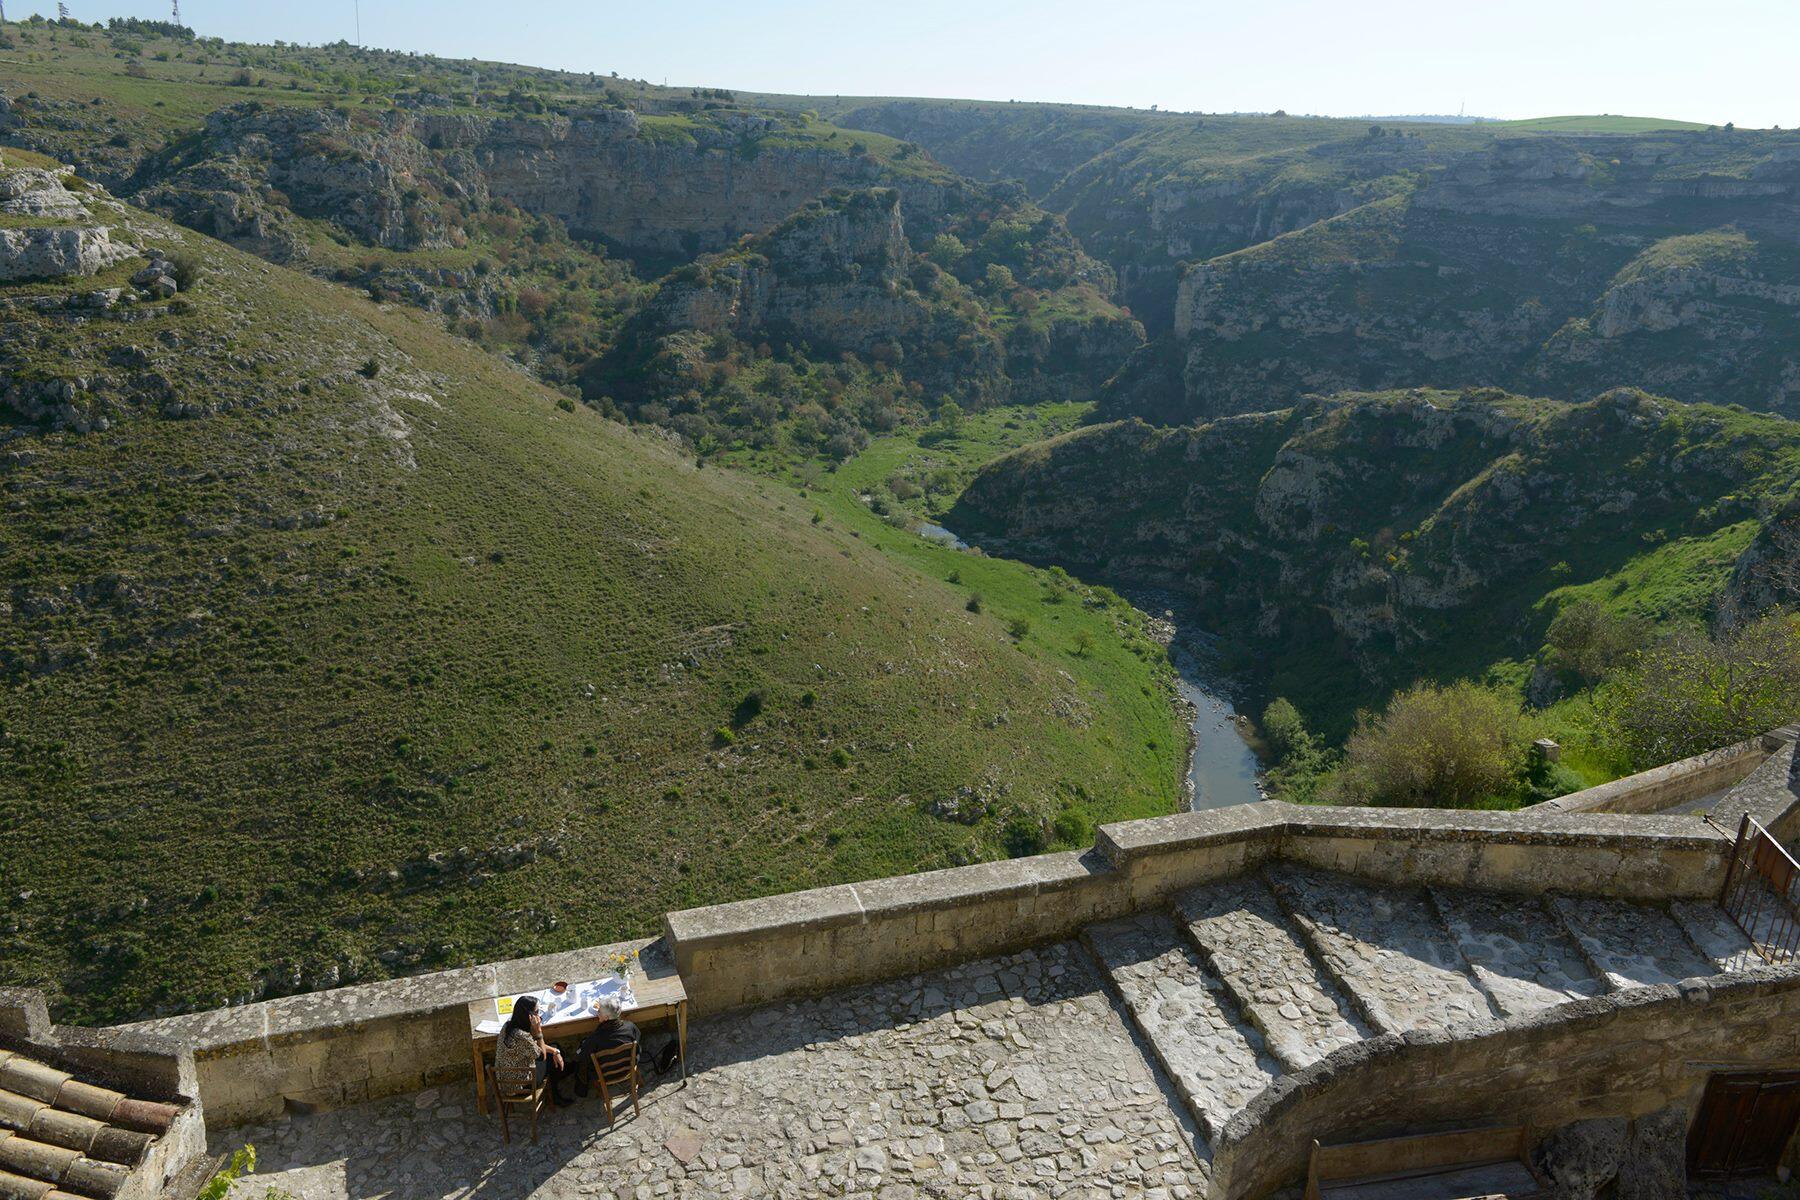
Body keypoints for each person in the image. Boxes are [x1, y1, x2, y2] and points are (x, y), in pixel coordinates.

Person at [494, 995, 574, 1107]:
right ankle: (556, 1096)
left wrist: (555, 1050)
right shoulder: (522, 1036)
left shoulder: (508, 1026)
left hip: (505, 1080)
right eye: (536, 1012)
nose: (539, 1015)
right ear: (529, 1015)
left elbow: (532, 1046)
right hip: (520, 1086)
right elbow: (542, 1056)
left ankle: (563, 1069)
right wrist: (538, 1031)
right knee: (550, 1061)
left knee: (555, 1048)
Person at [572, 992, 640, 1096]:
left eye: (599, 1011)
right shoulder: (630, 1027)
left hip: (604, 1075)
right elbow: (638, 1040)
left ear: (607, 1018)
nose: (597, 1013)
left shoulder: (595, 1038)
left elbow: (581, 1057)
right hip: (628, 1069)